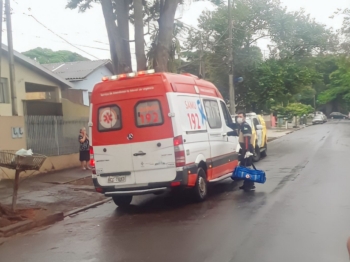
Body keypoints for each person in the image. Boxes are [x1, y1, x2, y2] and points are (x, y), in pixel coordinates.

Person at [228, 112, 255, 191]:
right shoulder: (241, 126)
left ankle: (249, 184)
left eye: (240, 116)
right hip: (244, 149)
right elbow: (237, 133)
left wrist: (247, 150)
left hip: (247, 149)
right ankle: (246, 184)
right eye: (238, 116)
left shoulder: (245, 126)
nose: (239, 118)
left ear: (244, 117)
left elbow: (247, 138)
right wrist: (227, 133)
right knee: (244, 166)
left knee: (247, 168)